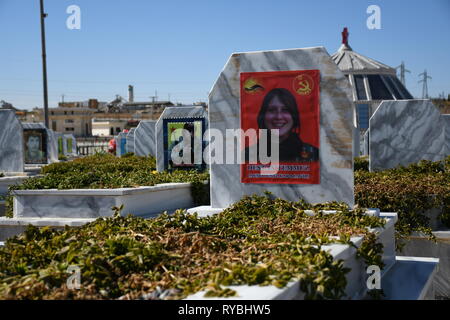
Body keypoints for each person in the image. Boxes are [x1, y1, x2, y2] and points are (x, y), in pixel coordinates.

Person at [245, 88, 319, 163]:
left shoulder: (314, 154)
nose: (278, 117)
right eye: (272, 110)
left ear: (294, 116)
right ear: (263, 116)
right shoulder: (247, 155)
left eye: (285, 110)